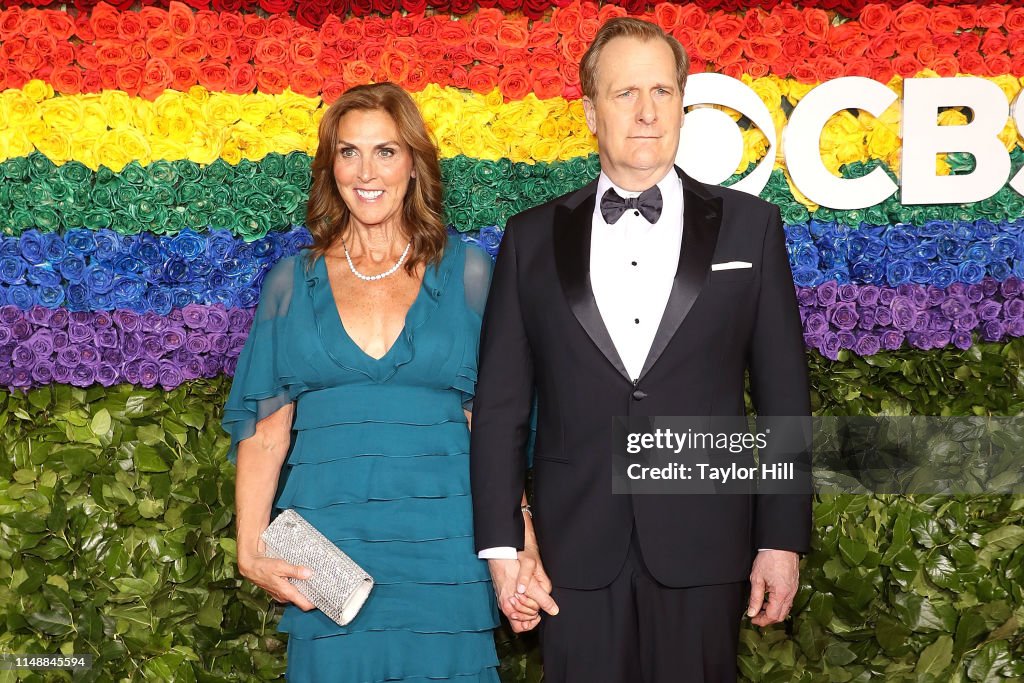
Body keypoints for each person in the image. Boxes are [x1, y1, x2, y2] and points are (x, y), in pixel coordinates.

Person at [470, 18, 812, 683]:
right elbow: (502, 405)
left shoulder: (752, 227)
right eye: (626, 93)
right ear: (592, 112)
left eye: (663, 90)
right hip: (573, 551)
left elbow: (782, 397)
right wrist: (503, 545)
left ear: (683, 102)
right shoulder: (530, 238)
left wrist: (781, 535)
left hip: (706, 540)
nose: (648, 111)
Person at [222, 82, 531, 682]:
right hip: (328, 558)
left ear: (414, 164)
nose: (367, 171)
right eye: (349, 151)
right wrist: (251, 545)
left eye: (386, 151)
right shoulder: (292, 282)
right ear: (329, 165)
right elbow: (264, 433)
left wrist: (521, 539)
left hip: (446, 550)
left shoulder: (466, 272)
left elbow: (494, 425)